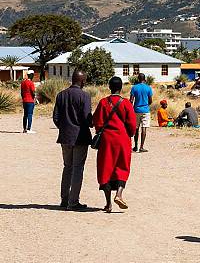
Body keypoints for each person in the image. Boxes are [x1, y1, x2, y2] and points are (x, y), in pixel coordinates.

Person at [93, 76, 137, 213]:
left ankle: (108, 204)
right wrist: (129, 134)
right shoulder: (126, 104)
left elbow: (97, 122)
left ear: (109, 87)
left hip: (107, 139)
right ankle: (119, 194)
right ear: (121, 88)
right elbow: (132, 125)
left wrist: (101, 131)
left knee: (106, 168)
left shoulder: (103, 102)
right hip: (123, 139)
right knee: (122, 166)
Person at [52, 70, 92, 211]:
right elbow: (88, 119)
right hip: (80, 137)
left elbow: (56, 118)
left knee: (67, 167)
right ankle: (73, 202)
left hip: (65, 137)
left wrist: (64, 128)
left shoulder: (61, 95)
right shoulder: (85, 96)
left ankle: (64, 199)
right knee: (77, 169)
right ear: (82, 81)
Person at [130, 73, 153, 153]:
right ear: (145, 79)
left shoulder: (134, 88)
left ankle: (135, 146)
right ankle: (141, 147)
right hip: (145, 110)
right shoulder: (148, 88)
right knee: (144, 128)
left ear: (138, 79)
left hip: (136, 110)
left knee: (136, 128)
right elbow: (150, 101)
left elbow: (131, 100)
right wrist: (146, 104)